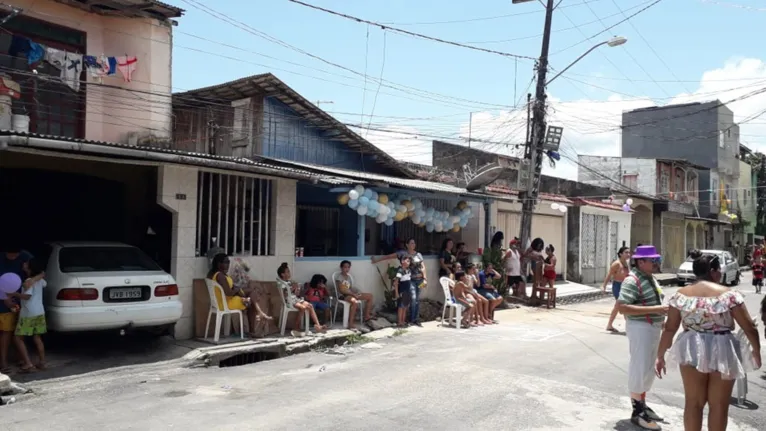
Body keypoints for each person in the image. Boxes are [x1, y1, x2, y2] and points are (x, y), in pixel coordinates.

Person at [656, 250, 761, 431]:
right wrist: (756, 351)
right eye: (719, 270)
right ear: (713, 271)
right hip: (723, 349)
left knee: (693, 403)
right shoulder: (728, 295)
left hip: (690, 348)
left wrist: (660, 355)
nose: (720, 273)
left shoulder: (680, 295)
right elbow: (749, 327)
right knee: (719, 405)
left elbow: (670, 328)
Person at [616, 245, 668, 430]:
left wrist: (659, 317)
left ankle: (642, 404)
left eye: (656, 260)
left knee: (647, 368)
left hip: (651, 327)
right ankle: (637, 411)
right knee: (640, 367)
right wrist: (656, 310)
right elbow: (622, 307)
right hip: (640, 328)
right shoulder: (632, 280)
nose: (655, 263)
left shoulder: (649, 278)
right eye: (652, 260)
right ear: (641, 262)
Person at [208, 254, 271, 338]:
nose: (228, 264)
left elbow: (229, 288)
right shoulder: (220, 276)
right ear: (219, 264)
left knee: (251, 292)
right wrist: (237, 290)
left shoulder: (217, 274)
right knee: (250, 299)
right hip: (227, 303)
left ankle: (257, 313)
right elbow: (229, 293)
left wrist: (237, 288)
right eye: (226, 262)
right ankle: (254, 326)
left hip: (225, 301)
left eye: (229, 262)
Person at [371, 238, 426, 326]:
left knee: (416, 300)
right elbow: (388, 256)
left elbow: (423, 267)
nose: (413, 245)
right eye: (411, 243)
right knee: (413, 299)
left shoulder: (418, 254)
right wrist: (377, 260)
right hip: (409, 280)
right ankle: (410, 319)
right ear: (407, 245)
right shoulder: (402, 253)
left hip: (419, 280)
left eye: (414, 243)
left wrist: (425, 278)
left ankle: (415, 319)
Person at [11, 259, 47, 373]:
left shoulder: (28, 281)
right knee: (37, 337)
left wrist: (14, 294)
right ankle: (42, 362)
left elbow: (27, 296)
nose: (24, 264)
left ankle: (28, 363)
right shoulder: (40, 280)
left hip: (28, 313)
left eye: (26, 264)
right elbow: (44, 283)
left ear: (30, 268)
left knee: (17, 338)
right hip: (39, 312)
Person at [276, 263, 326, 336]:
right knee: (303, 308)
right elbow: (285, 295)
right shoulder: (282, 283)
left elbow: (295, 294)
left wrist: (297, 290)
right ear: (282, 274)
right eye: (287, 272)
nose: (289, 273)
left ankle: (318, 326)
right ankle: (296, 327)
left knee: (310, 306)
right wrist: (293, 288)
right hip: (290, 301)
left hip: (295, 299)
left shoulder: (289, 282)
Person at [334, 260, 374, 328]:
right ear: (341, 268)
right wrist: (353, 294)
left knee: (370, 296)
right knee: (354, 302)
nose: (347, 269)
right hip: (343, 296)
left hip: (351, 294)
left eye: (348, 267)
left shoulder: (349, 277)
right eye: (345, 267)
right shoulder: (339, 277)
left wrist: (356, 293)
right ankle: (350, 323)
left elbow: (350, 288)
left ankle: (367, 316)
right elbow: (342, 290)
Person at [602, 246, 632, 333]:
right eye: (626, 252)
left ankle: (610, 325)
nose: (628, 254)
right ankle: (629, 326)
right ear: (620, 254)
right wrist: (604, 286)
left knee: (618, 306)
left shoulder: (626, 263)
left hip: (625, 286)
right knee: (622, 305)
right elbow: (609, 275)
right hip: (617, 286)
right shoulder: (616, 264)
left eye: (629, 253)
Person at [392, 256, 413, 328]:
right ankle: (399, 322)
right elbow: (396, 283)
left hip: (407, 291)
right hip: (402, 292)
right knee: (401, 307)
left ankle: (403, 321)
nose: (408, 263)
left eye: (409, 261)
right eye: (407, 261)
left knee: (405, 307)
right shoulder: (400, 271)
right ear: (402, 262)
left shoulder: (409, 271)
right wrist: (397, 293)